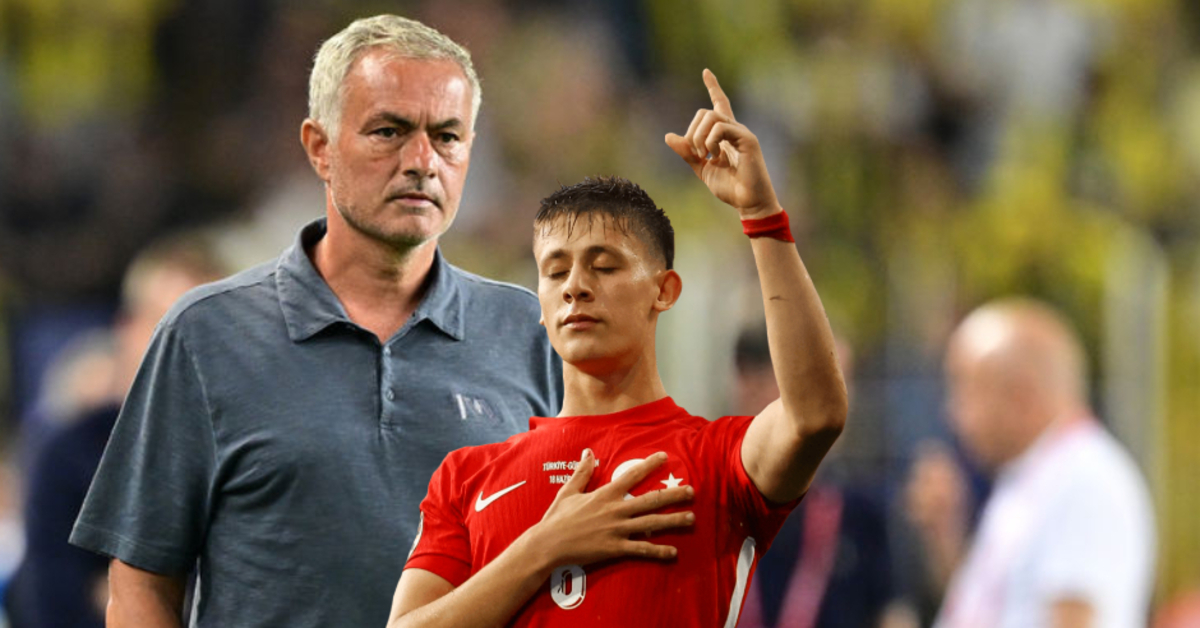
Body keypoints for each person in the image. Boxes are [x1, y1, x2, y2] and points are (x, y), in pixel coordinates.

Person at [69, 15, 561, 628]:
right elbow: (140, 587)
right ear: (319, 147)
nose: (422, 160)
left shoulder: (531, 331)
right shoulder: (205, 335)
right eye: (389, 131)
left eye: (447, 136)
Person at [387, 69, 848, 627]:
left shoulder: (716, 460)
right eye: (555, 271)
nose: (576, 286)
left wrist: (761, 215)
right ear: (541, 304)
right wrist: (543, 547)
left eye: (604, 266)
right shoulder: (466, 478)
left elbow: (816, 415)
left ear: (664, 291)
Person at [5, 234, 227, 628]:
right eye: (169, 325)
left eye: (212, 332)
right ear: (128, 328)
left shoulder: (245, 453)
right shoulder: (71, 454)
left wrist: (116, 593)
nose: (192, 350)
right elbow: (51, 604)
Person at [907, 298, 1155, 628]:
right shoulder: (1037, 474)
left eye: (964, 389)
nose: (951, 413)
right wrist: (945, 537)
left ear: (1020, 397)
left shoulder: (1085, 481)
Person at [734, 328, 915, 628]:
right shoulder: (705, 504)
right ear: (752, 389)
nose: (840, 402)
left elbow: (895, 615)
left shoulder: (862, 514)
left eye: (845, 383)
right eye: (821, 381)